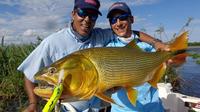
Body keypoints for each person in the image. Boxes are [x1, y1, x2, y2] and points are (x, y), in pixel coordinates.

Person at [17, 0, 167, 112]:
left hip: (98, 108)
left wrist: (156, 42)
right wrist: (33, 104)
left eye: (93, 15)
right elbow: (29, 75)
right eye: (83, 13)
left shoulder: (100, 35)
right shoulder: (52, 42)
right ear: (73, 14)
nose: (87, 19)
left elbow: (132, 33)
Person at [106, 2, 165, 112]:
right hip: (123, 110)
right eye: (113, 20)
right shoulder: (109, 49)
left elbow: (167, 62)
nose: (118, 23)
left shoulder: (148, 45)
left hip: (152, 107)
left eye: (122, 18)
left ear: (131, 19)